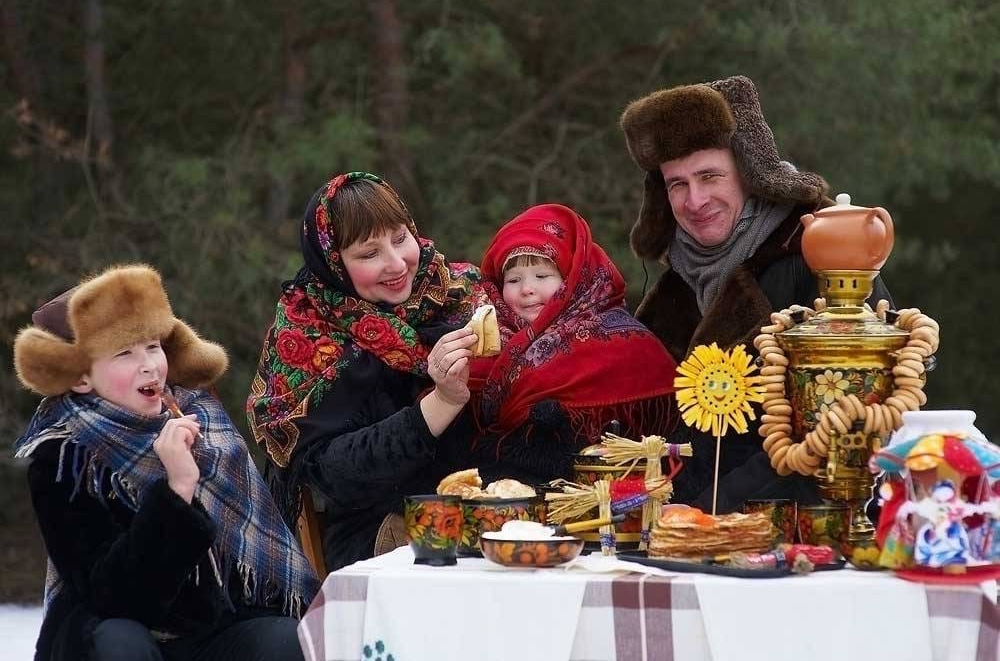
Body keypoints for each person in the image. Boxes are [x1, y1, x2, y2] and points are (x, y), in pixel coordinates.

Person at [12, 264, 317, 661]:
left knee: (285, 639)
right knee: (122, 643)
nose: (149, 365)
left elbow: (245, 579)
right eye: (124, 353)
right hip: (112, 633)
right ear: (81, 378)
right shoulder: (64, 456)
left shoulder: (203, 420)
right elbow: (113, 598)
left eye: (154, 346)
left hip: (206, 633)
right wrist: (176, 491)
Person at [619, 75, 892, 512]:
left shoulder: (821, 254)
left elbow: (848, 421)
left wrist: (716, 508)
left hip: (807, 522)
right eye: (677, 184)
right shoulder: (676, 286)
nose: (695, 200)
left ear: (749, 175)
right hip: (690, 527)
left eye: (710, 176)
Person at [247, 172, 492, 572]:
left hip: (488, 514)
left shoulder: (460, 293)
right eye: (368, 254)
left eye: (399, 239)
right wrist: (443, 401)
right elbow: (337, 474)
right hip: (384, 534)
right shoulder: (311, 334)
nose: (395, 264)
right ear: (334, 263)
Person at [469, 203, 679, 483]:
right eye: (513, 279)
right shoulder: (486, 344)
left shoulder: (623, 342)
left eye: (542, 276)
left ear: (574, 281)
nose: (527, 289)